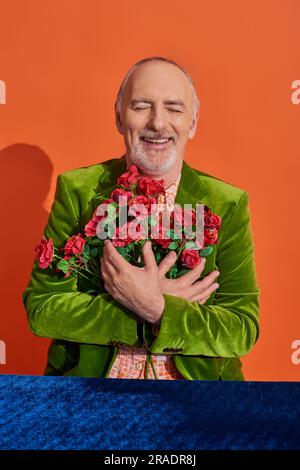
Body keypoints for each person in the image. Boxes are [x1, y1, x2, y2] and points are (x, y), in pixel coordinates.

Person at [22, 56, 260, 380]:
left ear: (193, 122)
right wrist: (135, 310)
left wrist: (158, 307)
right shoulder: (78, 191)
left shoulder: (227, 204)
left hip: (196, 404)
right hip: (92, 398)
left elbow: (242, 327)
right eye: (141, 105)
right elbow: (42, 309)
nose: (158, 123)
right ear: (119, 118)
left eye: (174, 108)